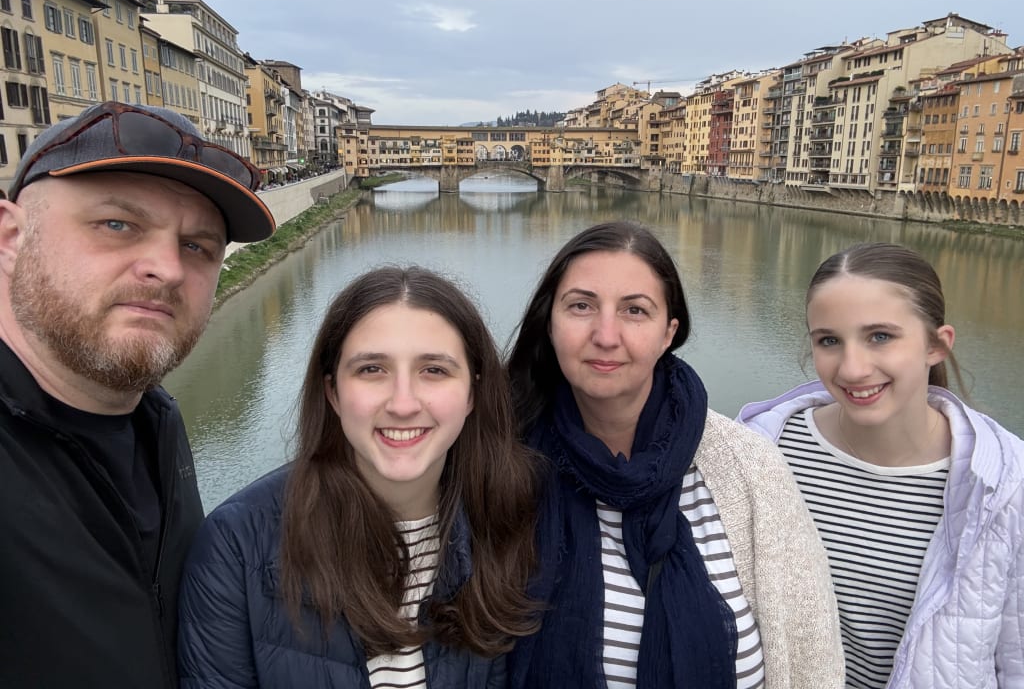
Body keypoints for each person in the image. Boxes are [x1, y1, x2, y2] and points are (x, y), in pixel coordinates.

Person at [0, 101, 276, 687]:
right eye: (118, 224)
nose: (167, 269)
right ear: (10, 238)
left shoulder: (156, 421)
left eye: (199, 246)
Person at [505, 221, 844, 689]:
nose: (606, 335)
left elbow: (812, 663)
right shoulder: (503, 462)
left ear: (668, 333)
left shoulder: (751, 467)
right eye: (581, 306)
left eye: (634, 311)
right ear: (550, 322)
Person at [178, 266, 540, 688]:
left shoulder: (505, 522)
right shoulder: (237, 546)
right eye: (372, 370)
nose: (403, 403)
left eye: (434, 370)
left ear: (472, 394)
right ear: (332, 392)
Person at [738, 242, 1024, 689]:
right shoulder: (761, 452)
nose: (852, 368)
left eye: (880, 337)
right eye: (829, 341)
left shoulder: (1002, 486)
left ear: (936, 345)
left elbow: (1015, 655)